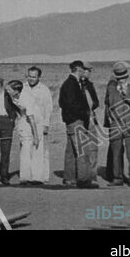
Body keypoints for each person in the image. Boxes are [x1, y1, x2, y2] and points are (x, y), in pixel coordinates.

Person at [104, 61, 130, 187]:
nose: (121, 80)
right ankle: (117, 178)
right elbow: (107, 106)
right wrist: (108, 122)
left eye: (123, 78)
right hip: (116, 126)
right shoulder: (110, 89)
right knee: (116, 154)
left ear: (127, 77)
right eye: (119, 78)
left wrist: (127, 95)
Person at [59, 60, 95, 188]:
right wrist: (82, 114)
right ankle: (83, 179)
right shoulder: (71, 84)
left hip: (71, 121)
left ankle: (69, 178)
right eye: (82, 69)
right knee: (81, 150)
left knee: (71, 151)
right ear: (78, 69)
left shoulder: (70, 83)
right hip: (76, 121)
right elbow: (70, 104)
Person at [21, 66, 52, 184]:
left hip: (39, 123)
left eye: (34, 77)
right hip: (25, 122)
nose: (31, 79)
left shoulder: (43, 89)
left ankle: (38, 177)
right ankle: (25, 176)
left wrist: (46, 124)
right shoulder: (23, 88)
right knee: (25, 149)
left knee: (38, 149)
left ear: (39, 77)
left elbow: (48, 108)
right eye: (29, 76)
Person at [79, 64, 100, 184]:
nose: (89, 73)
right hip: (81, 120)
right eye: (87, 71)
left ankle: (92, 175)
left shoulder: (89, 85)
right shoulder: (75, 85)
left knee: (93, 148)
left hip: (91, 119)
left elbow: (96, 102)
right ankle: (83, 176)